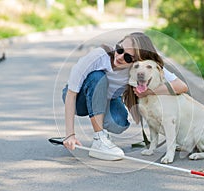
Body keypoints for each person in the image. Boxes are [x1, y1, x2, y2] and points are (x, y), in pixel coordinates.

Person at [62, 32, 188, 161]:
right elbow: (71, 95)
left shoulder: (139, 67)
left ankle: (101, 130)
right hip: (79, 100)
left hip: (107, 99)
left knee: (119, 124)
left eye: (128, 57)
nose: (120, 56)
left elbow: (181, 86)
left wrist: (148, 91)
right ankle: (99, 139)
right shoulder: (98, 56)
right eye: (119, 49)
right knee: (98, 77)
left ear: (138, 61)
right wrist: (70, 135)